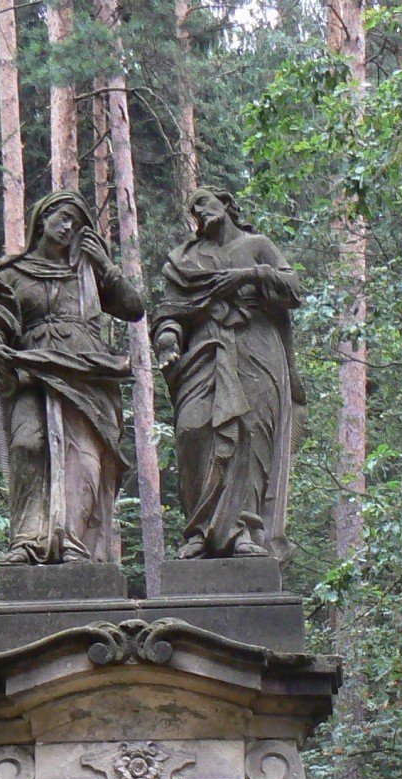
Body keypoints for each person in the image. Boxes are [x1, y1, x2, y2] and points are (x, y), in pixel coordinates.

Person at [0, 190, 146, 565]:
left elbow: (134, 308)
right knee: (27, 445)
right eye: (63, 217)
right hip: (32, 371)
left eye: (77, 222)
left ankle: (75, 542)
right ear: (43, 217)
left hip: (86, 372)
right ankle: (27, 539)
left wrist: (104, 264)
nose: (69, 227)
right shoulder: (12, 272)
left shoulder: (86, 273)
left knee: (84, 458)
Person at [153, 188, 305, 560]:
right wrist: (168, 340)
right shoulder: (186, 260)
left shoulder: (257, 244)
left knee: (251, 434)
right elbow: (169, 312)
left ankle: (244, 531)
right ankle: (199, 530)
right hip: (205, 348)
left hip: (256, 345)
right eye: (193, 208)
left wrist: (246, 276)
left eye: (205, 201)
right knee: (192, 429)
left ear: (227, 205)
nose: (199, 210)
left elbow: (295, 287)